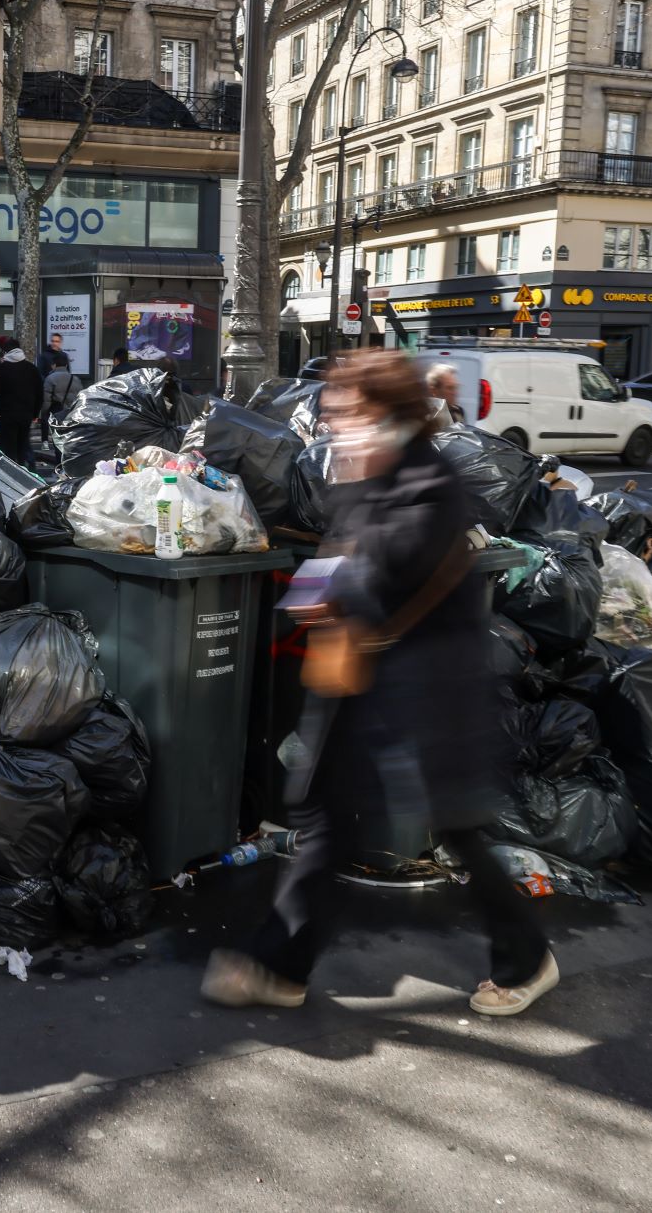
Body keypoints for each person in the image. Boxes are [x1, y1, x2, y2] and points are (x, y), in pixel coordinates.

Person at [201, 350, 557, 1018]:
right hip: (363, 682)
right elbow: (336, 552)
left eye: (346, 408)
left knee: (456, 832)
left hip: (427, 691)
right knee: (327, 820)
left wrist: (333, 593)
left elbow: (387, 568)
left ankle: (528, 956)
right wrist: (309, 594)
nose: (333, 419)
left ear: (385, 411)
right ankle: (280, 967)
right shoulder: (369, 474)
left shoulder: (430, 482)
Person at [0, 341, 44, 465]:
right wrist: (35, 414)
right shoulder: (32, 369)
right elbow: (40, 393)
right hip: (26, 415)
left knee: (9, 447)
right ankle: (22, 470)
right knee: (23, 445)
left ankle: (11, 474)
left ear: (7, 352)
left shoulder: (1, 369)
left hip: (7, 415)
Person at [43, 351, 81, 427]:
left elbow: (46, 401)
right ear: (66, 365)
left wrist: (44, 413)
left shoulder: (50, 379)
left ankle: (45, 439)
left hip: (56, 415)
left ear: (54, 365)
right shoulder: (76, 379)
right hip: (71, 415)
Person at [426, 364, 466, 429]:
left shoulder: (458, 412)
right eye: (449, 388)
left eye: (456, 387)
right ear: (434, 390)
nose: (455, 392)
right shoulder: (425, 415)